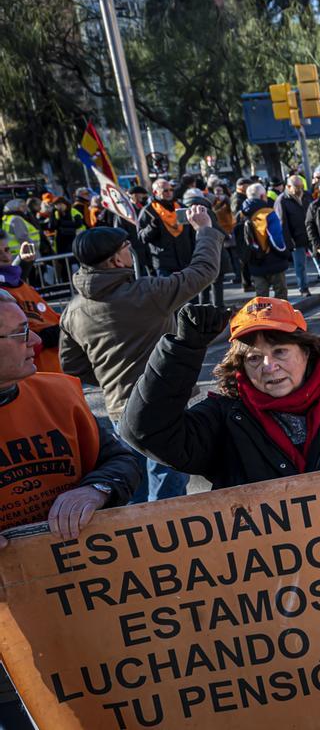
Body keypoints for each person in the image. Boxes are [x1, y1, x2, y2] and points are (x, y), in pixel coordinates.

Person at [0, 290, 142, 730]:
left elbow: (123, 460)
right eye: (21, 332)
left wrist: (95, 489)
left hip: (83, 600)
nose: (36, 343)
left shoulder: (57, 393)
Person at [121, 298, 320, 487]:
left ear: (308, 352)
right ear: (241, 366)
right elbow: (144, 432)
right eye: (253, 358)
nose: (268, 366)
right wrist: (181, 350)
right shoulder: (224, 419)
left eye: (280, 351)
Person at [60, 209, 220, 502]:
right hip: (163, 408)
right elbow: (203, 271)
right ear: (114, 261)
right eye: (127, 249)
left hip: (120, 409)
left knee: (133, 492)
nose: (131, 254)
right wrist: (205, 230)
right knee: (167, 496)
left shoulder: (73, 310)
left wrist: (110, 376)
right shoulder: (148, 293)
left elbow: (70, 364)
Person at [0, 227, 61, 373]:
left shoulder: (15, 281)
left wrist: (24, 263)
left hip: (53, 368)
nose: (6, 257)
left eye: (7, 250)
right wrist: (53, 335)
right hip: (31, 375)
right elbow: (12, 344)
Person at [238, 183, 291, 299]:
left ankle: (263, 318)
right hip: (273, 261)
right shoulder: (268, 213)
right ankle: (280, 317)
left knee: (261, 299)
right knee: (281, 296)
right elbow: (276, 240)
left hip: (254, 262)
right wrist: (286, 254)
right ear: (262, 196)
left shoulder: (241, 215)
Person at [138, 178, 195, 276]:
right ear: (155, 192)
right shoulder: (148, 210)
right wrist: (152, 226)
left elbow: (191, 233)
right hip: (164, 264)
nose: (169, 193)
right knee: (170, 292)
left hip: (185, 260)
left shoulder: (181, 207)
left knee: (190, 291)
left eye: (171, 190)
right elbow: (141, 237)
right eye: (165, 190)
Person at [277, 175, 315, 297]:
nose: (300, 189)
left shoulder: (307, 196)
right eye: (297, 187)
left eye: (301, 186)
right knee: (300, 265)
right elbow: (282, 224)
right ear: (288, 187)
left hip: (310, 235)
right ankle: (303, 288)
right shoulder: (282, 200)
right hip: (295, 239)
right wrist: (289, 242)